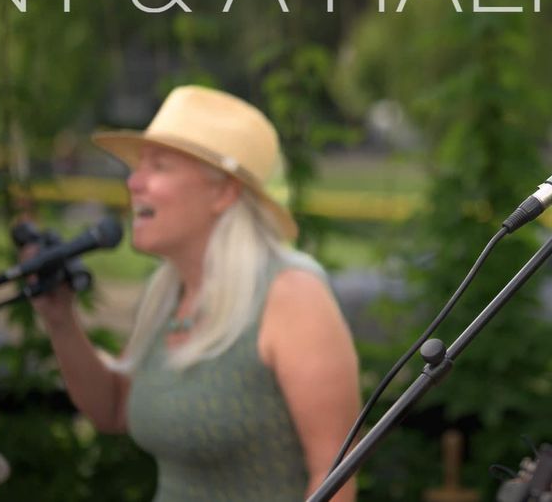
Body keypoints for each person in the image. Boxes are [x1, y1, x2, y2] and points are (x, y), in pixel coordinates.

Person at [30, 85, 360, 501]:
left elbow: (336, 477)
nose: (134, 182)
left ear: (223, 192)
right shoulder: (166, 292)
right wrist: (59, 318)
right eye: (138, 168)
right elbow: (114, 410)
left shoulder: (291, 295)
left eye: (160, 166)